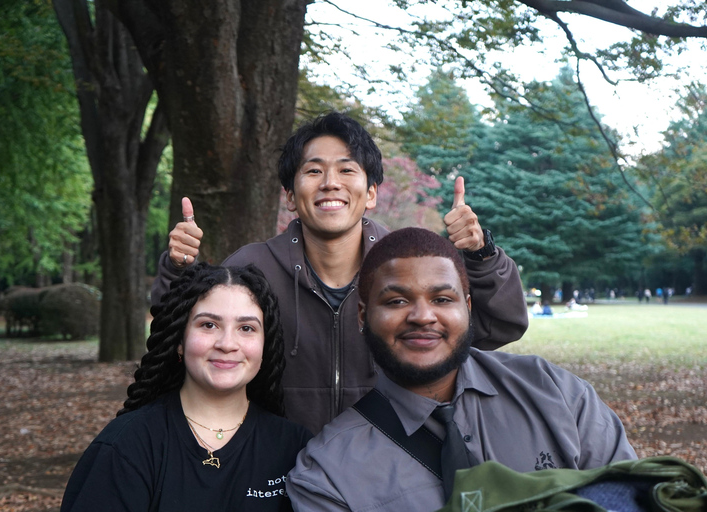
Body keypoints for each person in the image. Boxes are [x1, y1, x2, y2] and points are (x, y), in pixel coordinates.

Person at [151, 112, 528, 434]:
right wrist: (180, 270)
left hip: (394, 464)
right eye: (313, 170)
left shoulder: (409, 264)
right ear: (290, 195)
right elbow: (177, 342)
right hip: (277, 469)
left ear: (371, 193)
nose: (330, 182)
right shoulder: (251, 269)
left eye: (347, 169)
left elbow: (502, 325)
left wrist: (481, 255)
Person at [286, 228, 636, 512]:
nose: (423, 316)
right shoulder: (329, 474)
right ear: (363, 316)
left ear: (467, 307)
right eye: (396, 301)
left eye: (441, 299)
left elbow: (637, 497)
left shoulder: (556, 395)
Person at [61, 264, 312, 512]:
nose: (227, 344)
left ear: (265, 346)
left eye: (246, 328)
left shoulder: (295, 448)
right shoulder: (126, 446)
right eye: (208, 325)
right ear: (179, 341)